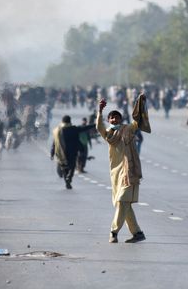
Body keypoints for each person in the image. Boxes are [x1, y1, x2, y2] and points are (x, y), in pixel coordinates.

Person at [96, 94, 149, 243]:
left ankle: (114, 232)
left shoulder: (128, 129)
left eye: (117, 117)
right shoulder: (108, 134)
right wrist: (99, 111)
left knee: (121, 202)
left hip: (129, 172)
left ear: (121, 119)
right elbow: (98, 127)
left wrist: (139, 103)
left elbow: (137, 121)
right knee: (124, 205)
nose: (114, 119)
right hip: (116, 174)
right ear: (108, 121)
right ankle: (137, 233)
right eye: (111, 118)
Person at [51, 115, 94, 189]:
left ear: (62, 121)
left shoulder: (57, 130)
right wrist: (95, 124)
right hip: (73, 151)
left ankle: (66, 180)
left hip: (62, 152)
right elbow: (84, 128)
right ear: (70, 121)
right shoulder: (73, 129)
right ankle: (69, 177)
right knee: (72, 166)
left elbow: (54, 143)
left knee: (64, 167)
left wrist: (52, 153)